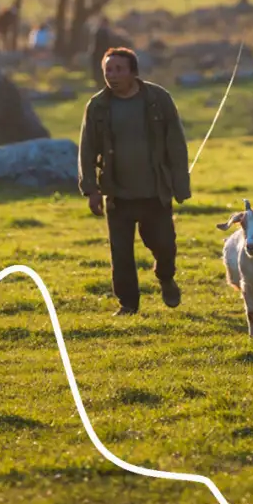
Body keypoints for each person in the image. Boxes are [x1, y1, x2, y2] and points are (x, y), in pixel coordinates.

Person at [78, 47, 190, 317]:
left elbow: (176, 143)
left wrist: (180, 184)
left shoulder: (158, 99)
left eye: (118, 70)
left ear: (133, 71)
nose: (112, 76)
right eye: (107, 70)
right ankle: (127, 304)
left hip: (155, 192)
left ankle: (166, 277)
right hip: (117, 194)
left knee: (164, 244)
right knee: (121, 254)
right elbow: (87, 149)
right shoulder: (97, 106)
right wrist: (91, 189)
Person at [88, 15, 114, 82]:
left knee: (99, 69)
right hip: (100, 53)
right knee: (99, 69)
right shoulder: (102, 31)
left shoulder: (99, 31)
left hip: (100, 53)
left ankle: (100, 80)